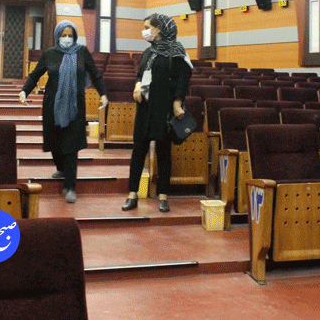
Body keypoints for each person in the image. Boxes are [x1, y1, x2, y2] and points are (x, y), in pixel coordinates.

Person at [19, 21, 107, 203]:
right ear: (57, 36)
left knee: (71, 145)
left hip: (75, 106)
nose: (67, 38)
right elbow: (35, 75)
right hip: (53, 105)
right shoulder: (50, 54)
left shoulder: (82, 52)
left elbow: (95, 74)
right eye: (63, 35)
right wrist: (24, 91)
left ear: (75, 36)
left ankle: (70, 186)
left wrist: (103, 94)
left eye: (70, 35)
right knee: (54, 141)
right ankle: (60, 167)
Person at [122, 14, 192, 213]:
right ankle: (132, 195)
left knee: (163, 153)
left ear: (158, 29)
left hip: (164, 107)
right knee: (138, 151)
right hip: (145, 107)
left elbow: (183, 79)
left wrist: (178, 102)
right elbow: (140, 74)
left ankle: (163, 197)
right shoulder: (148, 52)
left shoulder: (177, 51)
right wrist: (137, 85)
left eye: (147, 27)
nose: (145, 31)